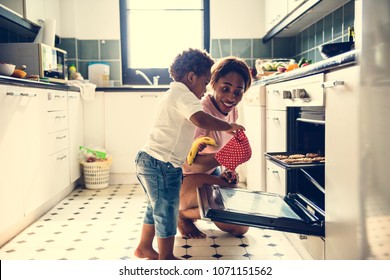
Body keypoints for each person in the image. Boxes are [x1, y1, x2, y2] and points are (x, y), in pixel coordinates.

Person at [133, 49, 245, 260]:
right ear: (191, 77)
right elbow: (201, 120)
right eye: (205, 83)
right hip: (162, 163)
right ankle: (166, 256)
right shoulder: (185, 96)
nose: (205, 89)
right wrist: (227, 126)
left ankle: (144, 247)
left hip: (151, 160)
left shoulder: (174, 93)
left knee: (154, 207)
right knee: (166, 210)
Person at [179, 56, 252, 239]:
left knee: (241, 228)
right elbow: (187, 165)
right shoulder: (202, 114)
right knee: (226, 195)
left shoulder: (231, 110)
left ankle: (193, 211)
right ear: (213, 83)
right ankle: (179, 214)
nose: (231, 97)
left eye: (238, 92)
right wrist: (223, 157)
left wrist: (228, 169)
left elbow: (222, 147)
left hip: (208, 175)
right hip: (180, 180)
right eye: (225, 89)